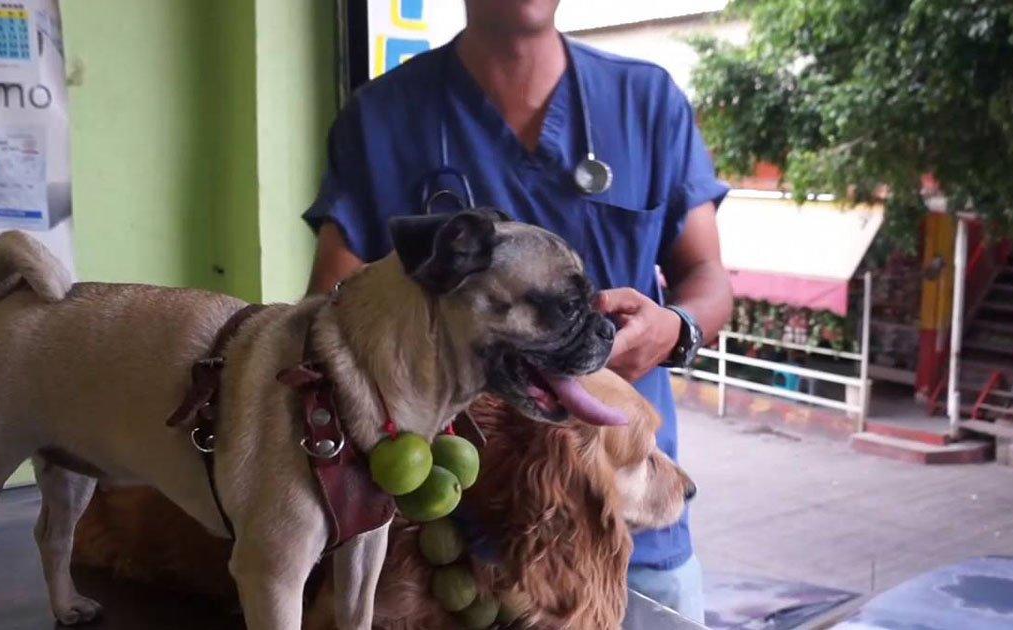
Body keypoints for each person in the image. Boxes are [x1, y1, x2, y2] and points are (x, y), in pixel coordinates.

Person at [304, 0, 732, 620]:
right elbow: (328, 314)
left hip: (628, 526)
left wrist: (677, 328)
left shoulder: (647, 104)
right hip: (440, 544)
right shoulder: (381, 120)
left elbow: (709, 277)